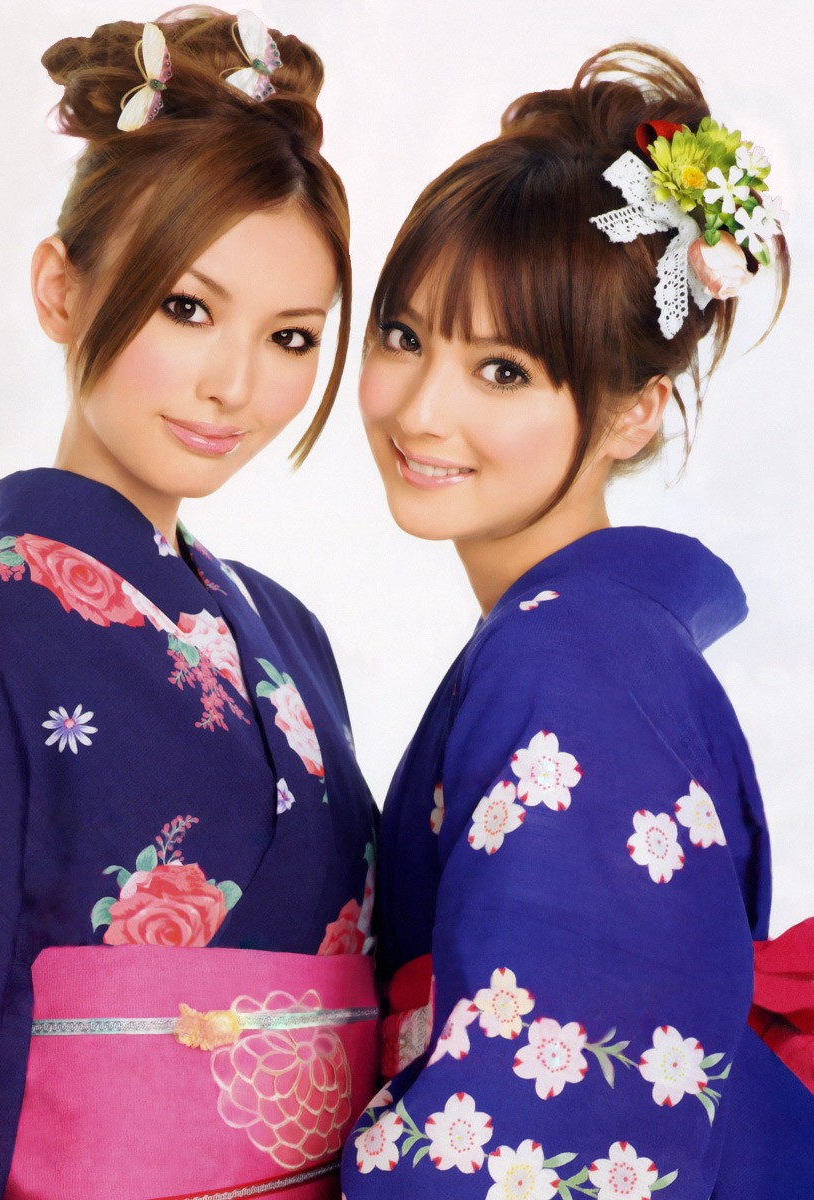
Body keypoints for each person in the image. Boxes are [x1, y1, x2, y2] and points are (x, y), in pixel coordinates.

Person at [340, 43, 814, 1199]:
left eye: (503, 370)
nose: (421, 409)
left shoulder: (576, 656)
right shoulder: (583, 639)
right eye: (404, 335)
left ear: (635, 412)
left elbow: (541, 1117)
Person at [0, 9, 378, 1199]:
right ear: (60, 289)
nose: (236, 384)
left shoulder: (289, 631)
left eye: (292, 337)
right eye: (189, 307)